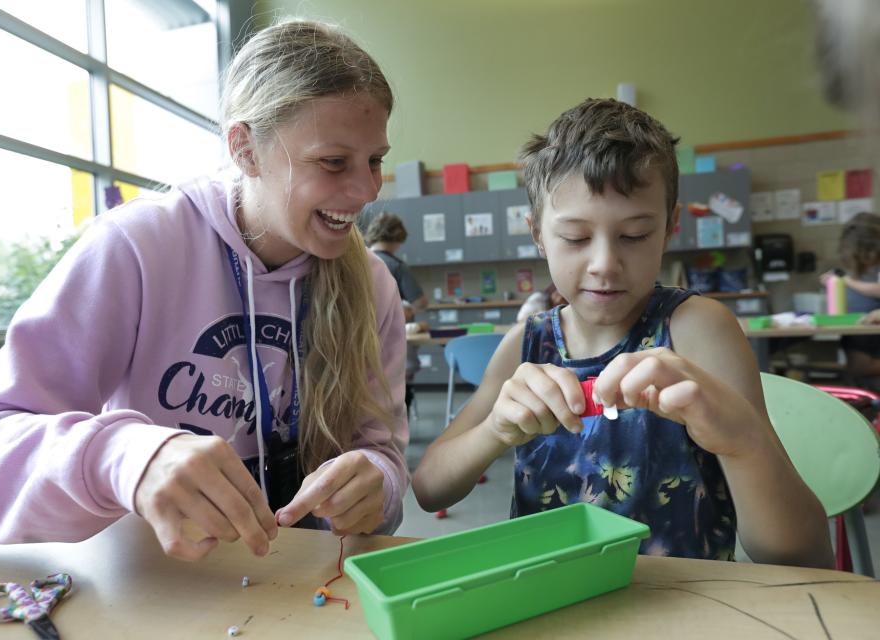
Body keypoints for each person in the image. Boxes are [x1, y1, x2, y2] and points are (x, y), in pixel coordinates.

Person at [0, 19, 409, 561]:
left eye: (375, 161)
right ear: (245, 149)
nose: (366, 190)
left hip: (306, 586)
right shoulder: (136, 247)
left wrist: (380, 482)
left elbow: (381, 455)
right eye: (334, 162)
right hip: (156, 580)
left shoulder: (371, 284)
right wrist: (124, 455)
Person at [412, 98, 832, 567]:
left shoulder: (697, 330)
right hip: (551, 602)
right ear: (536, 234)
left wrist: (743, 444)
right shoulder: (526, 346)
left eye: (634, 235)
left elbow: (802, 554)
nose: (605, 265)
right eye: (574, 238)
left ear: (670, 227)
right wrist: (494, 429)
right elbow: (429, 489)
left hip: (682, 607)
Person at [364, 212, 428, 414]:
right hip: (392, 337)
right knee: (399, 380)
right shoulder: (397, 266)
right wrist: (407, 310)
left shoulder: (356, 262)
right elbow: (421, 302)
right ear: (398, 238)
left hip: (361, 338)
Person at [819, 212, 880, 386]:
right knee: (858, 368)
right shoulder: (859, 272)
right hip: (858, 335)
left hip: (870, 341)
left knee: (860, 367)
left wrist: (848, 282)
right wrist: (835, 284)